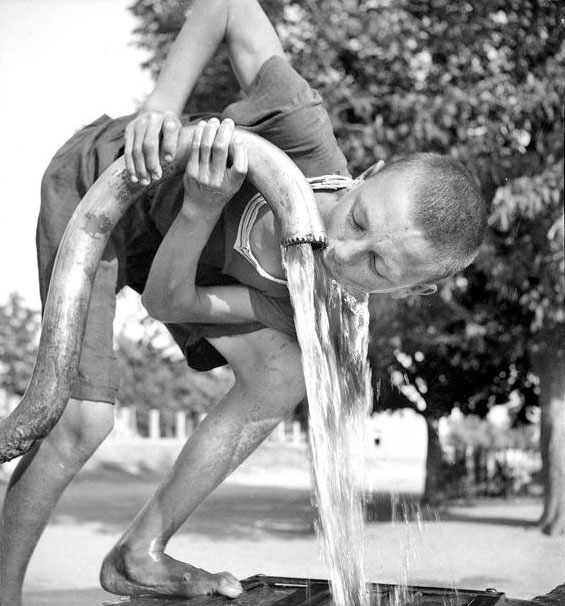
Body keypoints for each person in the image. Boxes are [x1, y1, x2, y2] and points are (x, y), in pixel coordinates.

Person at [0, 0, 486, 602]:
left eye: (378, 266)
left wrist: (202, 210)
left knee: (283, 374)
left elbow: (169, 303)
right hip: (103, 185)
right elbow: (228, 7)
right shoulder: (299, 130)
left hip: (176, 246)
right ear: (371, 171)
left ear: (414, 290)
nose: (342, 250)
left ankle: (139, 550)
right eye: (358, 218)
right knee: (78, 420)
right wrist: (161, 109)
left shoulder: (306, 298)